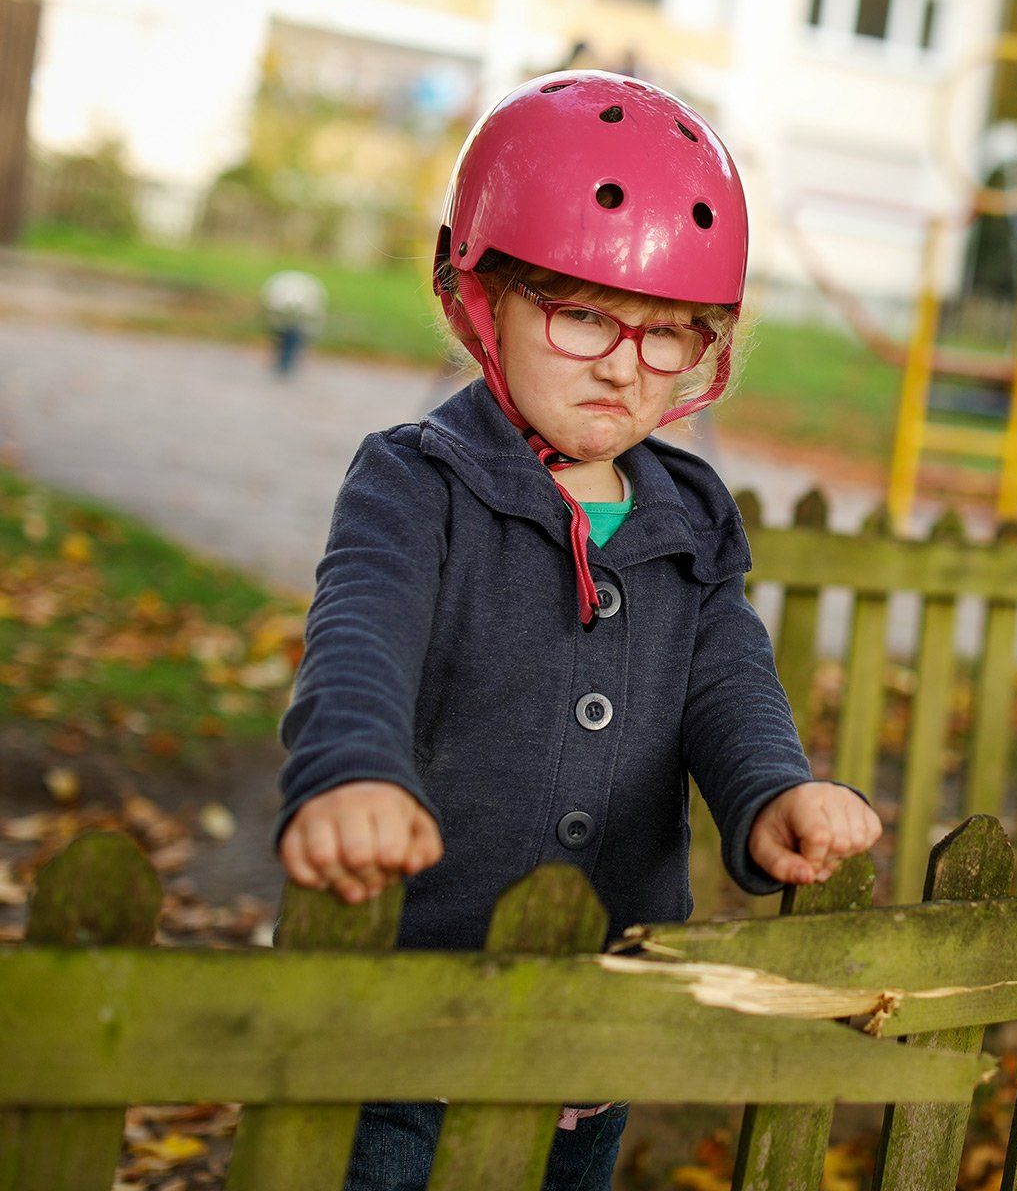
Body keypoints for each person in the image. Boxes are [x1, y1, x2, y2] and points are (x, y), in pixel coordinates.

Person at [271, 70, 882, 1191]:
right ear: (479, 297)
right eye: (584, 312)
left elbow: (726, 681)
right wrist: (351, 774)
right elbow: (359, 638)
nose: (622, 362)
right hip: (409, 1022)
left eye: (670, 336)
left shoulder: (689, 517)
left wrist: (773, 790)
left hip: (599, 1020)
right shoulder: (416, 482)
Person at [260, 267, 327, 377]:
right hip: (286, 315)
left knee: (290, 340)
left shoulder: (305, 290)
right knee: (286, 340)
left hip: (295, 318)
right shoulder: (281, 287)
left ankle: (285, 365)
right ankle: (283, 365)